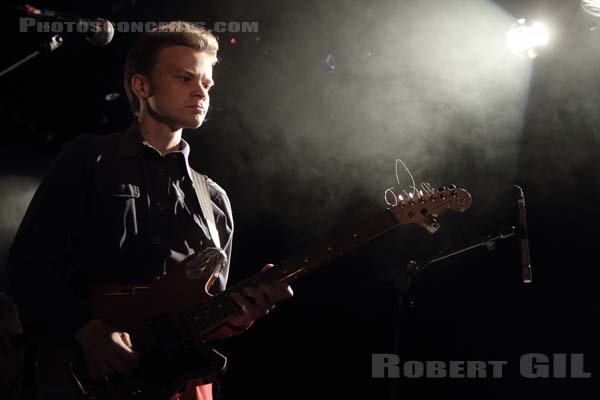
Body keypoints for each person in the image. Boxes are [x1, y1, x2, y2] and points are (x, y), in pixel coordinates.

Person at [8, 21, 293, 400]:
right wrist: (86, 330)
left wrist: (241, 316)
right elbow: (28, 264)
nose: (200, 92)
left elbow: (208, 312)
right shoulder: (90, 156)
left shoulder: (215, 201)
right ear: (141, 86)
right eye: (185, 78)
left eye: (206, 84)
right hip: (82, 376)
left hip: (182, 388)